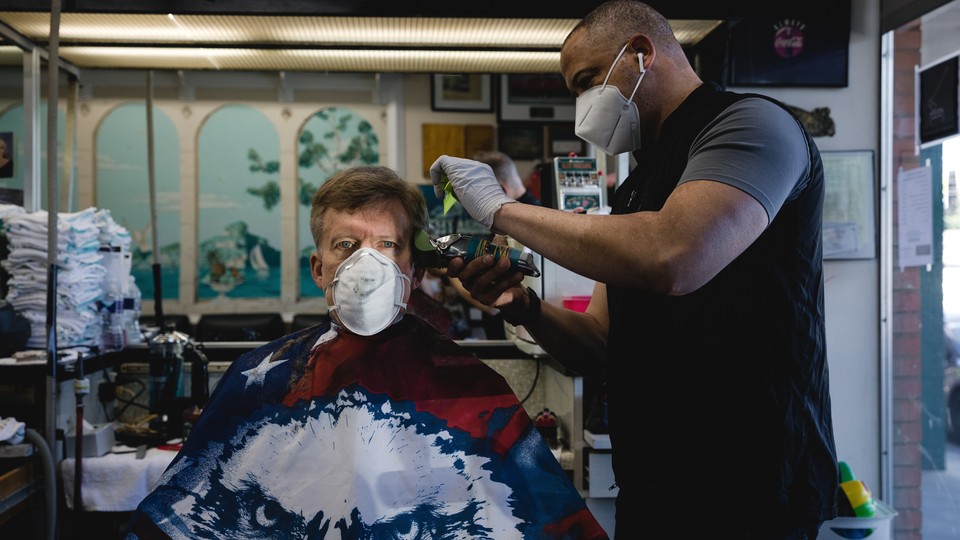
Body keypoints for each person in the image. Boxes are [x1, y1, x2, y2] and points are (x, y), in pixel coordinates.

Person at [429, 1, 839, 538]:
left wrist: (500, 208)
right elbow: (599, 340)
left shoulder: (753, 126)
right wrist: (523, 306)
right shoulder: (636, 188)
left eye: (586, 81)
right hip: (657, 482)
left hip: (752, 482)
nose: (582, 104)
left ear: (641, 53)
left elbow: (673, 258)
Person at [124, 166, 607, 540]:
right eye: (346, 245)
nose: (366, 263)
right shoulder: (260, 376)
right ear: (319, 268)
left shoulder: (465, 384)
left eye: (387, 245)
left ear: (416, 272)